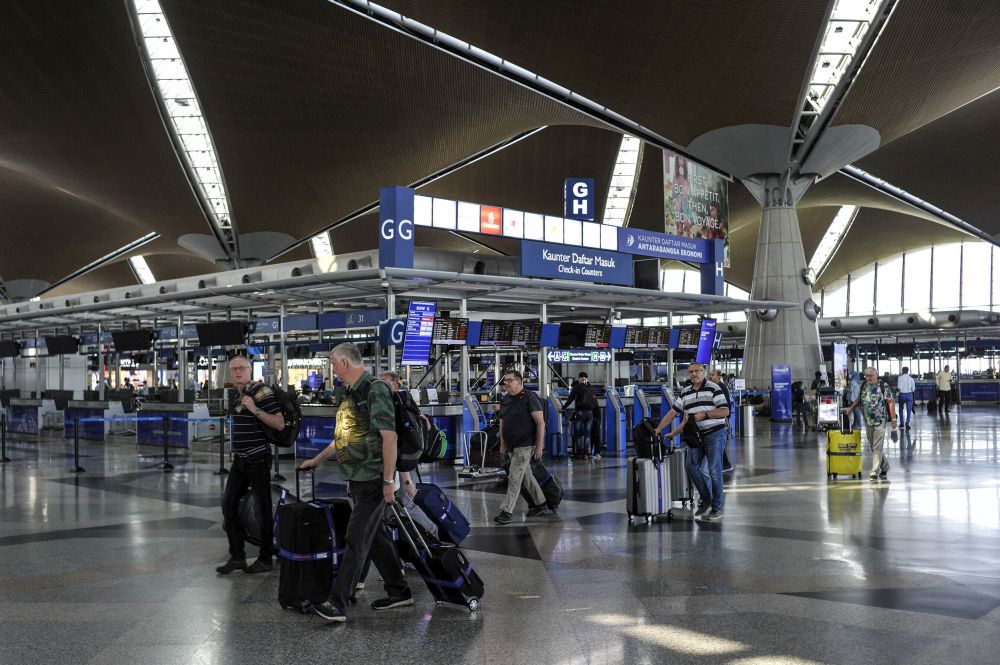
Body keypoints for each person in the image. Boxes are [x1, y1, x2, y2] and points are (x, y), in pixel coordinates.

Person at [300, 343, 413, 623]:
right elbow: (344, 437)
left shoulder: (375, 389)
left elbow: (390, 438)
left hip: (376, 478)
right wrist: (317, 460)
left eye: (334, 365)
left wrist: (389, 480)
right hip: (359, 478)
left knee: (356, 538)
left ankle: (337, 603)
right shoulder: (351, 393)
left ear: (345, 364)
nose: (333, 370)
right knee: (374, 537)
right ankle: (399, 590)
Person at [216, 355, 285, 575]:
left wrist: (254, 408)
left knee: (262, 511)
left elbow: (279, 423)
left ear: (249, 370)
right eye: (234, 369)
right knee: (228, 505)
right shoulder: (239, 395)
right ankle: (237, 556)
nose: (238, 372)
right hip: (241, 460)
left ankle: (265, 557)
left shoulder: (261, 392)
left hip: (257, 458)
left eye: (242, 368)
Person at [654, 362, 730, 522]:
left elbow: (725, 411)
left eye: (697, 371)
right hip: (696, 436)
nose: (693, 374)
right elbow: (674, 413)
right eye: (691, 372)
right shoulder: (685, 392)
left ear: (703, 372)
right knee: (691, 466)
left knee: (714, 471)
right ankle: (706, 498)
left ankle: (717, 508)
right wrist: (661, 430)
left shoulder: (714, 388)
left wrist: (706, 414)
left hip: (715, 434)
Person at [494, 370, 548, 525]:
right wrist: (503, 444)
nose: (506, 383)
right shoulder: (506, 399)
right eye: (505, 381)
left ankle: (506, 511)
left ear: (519, 381)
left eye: (510, 380)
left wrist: (539, 446)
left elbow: (540, 422)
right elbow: (503, 423)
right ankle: (541, 503)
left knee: (514, 477)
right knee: (526, 476)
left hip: (525, 445)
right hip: (511, 445)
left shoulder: (530, 398)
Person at [844, 367, 897, 481]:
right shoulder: (864, 385)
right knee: (874, 447)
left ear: (876, 374)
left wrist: (893, 419)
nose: (868, 378)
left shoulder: (883, 386)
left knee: (877, 447)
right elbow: (859, 399)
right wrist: (851, 408)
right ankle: (885, 466)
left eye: (870, 376)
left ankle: (874, 472)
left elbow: (890, 402)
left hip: (880, 421)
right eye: (866, 376)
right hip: (867, 421)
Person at [562, 372, 599, 459]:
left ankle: (579, 453)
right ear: (586, 378)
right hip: (590, 414)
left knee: (578, 434)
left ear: (579, 378)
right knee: (587, 434)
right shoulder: (591, 388)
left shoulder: (577, 387)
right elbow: (595, 402)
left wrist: (563, 407)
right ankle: (586, 454)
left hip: (580, 413)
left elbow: (570, 399)